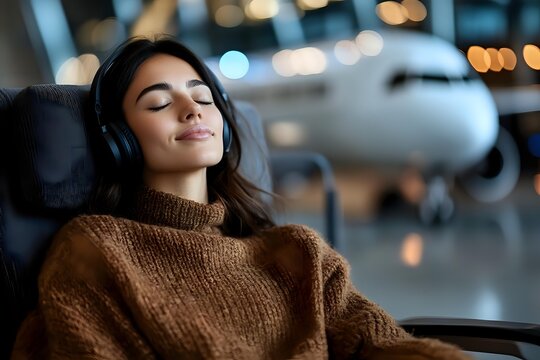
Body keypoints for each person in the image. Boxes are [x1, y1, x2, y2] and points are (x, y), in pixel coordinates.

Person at [11, 36, 470, 359]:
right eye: (157, 103)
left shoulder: (297, 252)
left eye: (203, 98)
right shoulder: (95, 251)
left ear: (225, 125)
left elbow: (381, 343)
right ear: (119, 140)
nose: (191, 110)